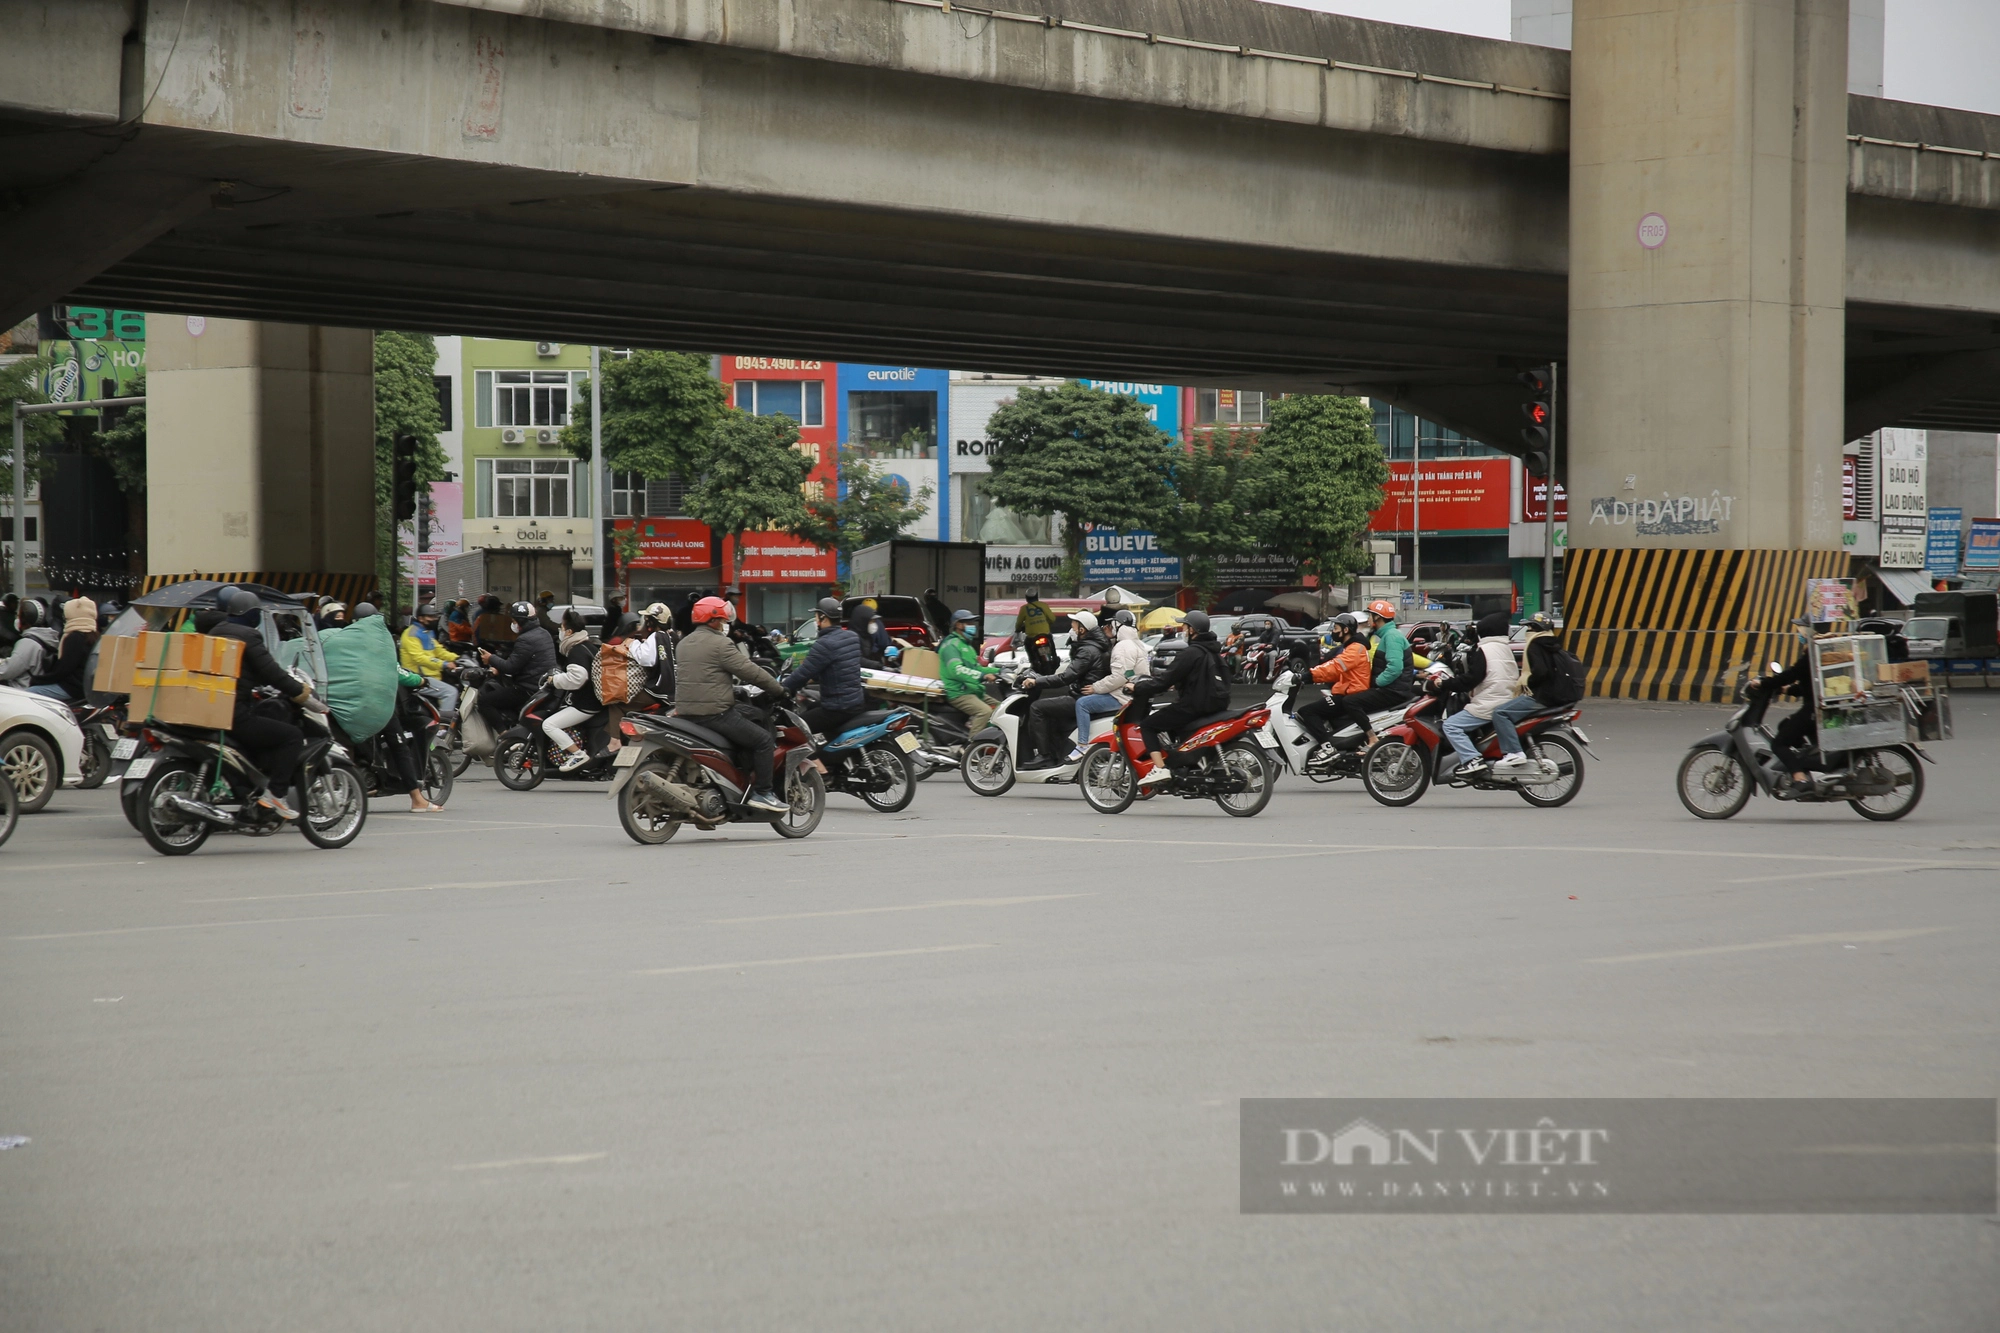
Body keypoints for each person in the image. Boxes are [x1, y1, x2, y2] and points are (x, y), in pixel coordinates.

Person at [211, 588, 327, 821]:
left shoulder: (216, 631)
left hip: (212, 709)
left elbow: (249, 671)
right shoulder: (249, 636)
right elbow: (272, 673)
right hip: (235, 714)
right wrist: (303, 694)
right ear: (252, 614)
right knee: (291, 735)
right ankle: (276, 795)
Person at [674, 596, 790, 814]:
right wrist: (779, 690)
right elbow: (751, 672)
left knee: (750, 714)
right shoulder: (721, 644)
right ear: (713, 620)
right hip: (714, 714)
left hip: (686, 713)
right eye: (723, 620)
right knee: (763, 740)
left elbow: (703, 675)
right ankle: (763, 793)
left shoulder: (684, 643)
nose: (725, 624)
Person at [1136, 609, 1230, 786]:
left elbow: (1163, 681)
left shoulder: (1191, 652)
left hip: (1193, 706)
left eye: (1185, 627)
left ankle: (1159, 769)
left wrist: (1138, 686)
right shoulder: (1215, 652)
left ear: (1193, 630)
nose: (1183, 631)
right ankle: (1182, 764)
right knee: (1173, 726)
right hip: (1216, 706)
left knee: (1148, 725)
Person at [1486, 612, 1580, 773]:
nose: (1527, 629)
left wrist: (1527, 684)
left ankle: (1514, 752)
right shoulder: (1551, 643)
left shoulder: (1535, 644)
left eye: (1529, 626)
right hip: (1556, 697)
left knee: (1500, 713)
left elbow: (1541, 672)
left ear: (1535, 628)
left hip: (1542, 696)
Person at [1435, 611, 1520, 779]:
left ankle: (1472, 759)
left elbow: (1472, 679)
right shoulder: (1504, 648)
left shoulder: (1484, 650)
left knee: (1451, 726)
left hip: (1490, 702)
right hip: (1507, 699)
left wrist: (1445, 684)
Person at [1021, 609, 1110, 768]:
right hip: (1084, 694)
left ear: (1082, 630)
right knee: (1053, 714)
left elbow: (1066, 677)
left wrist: (1036, 681)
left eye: (1074, 626)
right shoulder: (1095, 646)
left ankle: (1044, 756)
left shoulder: (1087, 650)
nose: (1071, 630)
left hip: (1080, 698)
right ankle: (1057, 756)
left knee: (1037, 708)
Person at [1068, 609, 1147, 762]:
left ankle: (1082, 744)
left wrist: (1095, 687)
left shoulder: (1123, 646)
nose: (1107, 629)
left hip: (1122, 697)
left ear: (1118, 626)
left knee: (1082, 703)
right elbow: (1128, 673)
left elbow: (1119, 676)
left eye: (1110, 625)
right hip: (1132, 694)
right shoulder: (1137, 644)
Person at [782, 598, 866, 741]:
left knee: (795, 730)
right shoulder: (852, 637)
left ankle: (815, 763)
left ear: (823, 618)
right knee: (810, 707)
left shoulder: (824, 644)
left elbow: (801, 674)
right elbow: (839, 668)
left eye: (815, 617)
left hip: (838, 707)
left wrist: (780, 689)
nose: (815, 621)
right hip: (855, 702)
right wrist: (814, 678)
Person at [1297, 613, 1374, 763]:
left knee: (1307, 711)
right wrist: (1313, 678)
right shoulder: (1352, 647)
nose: (1333, 631)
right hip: (1346, 692)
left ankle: (1328, 748)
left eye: (1336, 628)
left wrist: (1308, 675)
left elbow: (1335, 666)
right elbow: (1334, 673)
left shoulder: (1355, 649)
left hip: (1349, 695)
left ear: (1345, 630)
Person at [476, 600, 556, 735]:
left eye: (513, 621)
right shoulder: (543, 633)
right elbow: (522, 661)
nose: (512, 624)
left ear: (520, 621)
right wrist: (499, 668)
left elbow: (511, 667)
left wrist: (491, 658)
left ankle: (504, 736)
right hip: (541, 685)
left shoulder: (525, 639)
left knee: (484, 701)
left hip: (528, 689)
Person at [1749, 644, 1824, 789]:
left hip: (1812, 711)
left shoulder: (1810, 657)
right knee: (1785, 725)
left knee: (1779, 744)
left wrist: (1763, 683)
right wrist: (1787, 690)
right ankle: (1808, 761)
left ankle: (1800, 778)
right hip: (1818, 709)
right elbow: (1808, 686)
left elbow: (1790, 675)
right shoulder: (1821, 654)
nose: (1801, 640)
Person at [541, 609, 604, 773]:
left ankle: (577, 754)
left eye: (561, 628)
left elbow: (577, 679)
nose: (560, 632)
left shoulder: (576, 650)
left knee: (549, 725)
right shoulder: (589, 646)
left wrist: (555, 680)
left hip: (585, 704)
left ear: (569, 631)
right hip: (595, 700)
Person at [27, 595, 99, 702]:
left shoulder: (75, 637)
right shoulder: (95, 636)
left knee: (29, 694)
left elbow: (64, 670)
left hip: (72, 688)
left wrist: (38, 680)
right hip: (86, 687)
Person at [939, 608, 1001, 732]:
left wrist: (999, 671)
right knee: (984, 711)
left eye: (973, 623)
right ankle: (971, 746)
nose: (973, 626)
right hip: (958, 692)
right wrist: (982, 676)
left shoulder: (966, 645)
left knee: (1000, 708)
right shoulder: (951, 645)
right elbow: (956, 670)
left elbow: (976, 668)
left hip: (972, 689)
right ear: (958, 625)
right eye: (969, 623)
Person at [398, 602, 460, 720]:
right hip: (420, 678)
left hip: (433, 675)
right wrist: (444, 664)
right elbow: (419, 658)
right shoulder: (411, 634)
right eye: (430, 617)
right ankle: (444, 730)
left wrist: (457, 658)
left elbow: (438, 650)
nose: (434, 619)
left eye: (435, 616)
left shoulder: (427, 632)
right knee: (451, 693)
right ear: (421, 618)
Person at [0, 599, 57, 688]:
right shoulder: (46, 638)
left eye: (19, 616)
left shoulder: (27, 643)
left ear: (24, 620)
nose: (17, 619)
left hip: (20, 688)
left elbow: (7, 671)